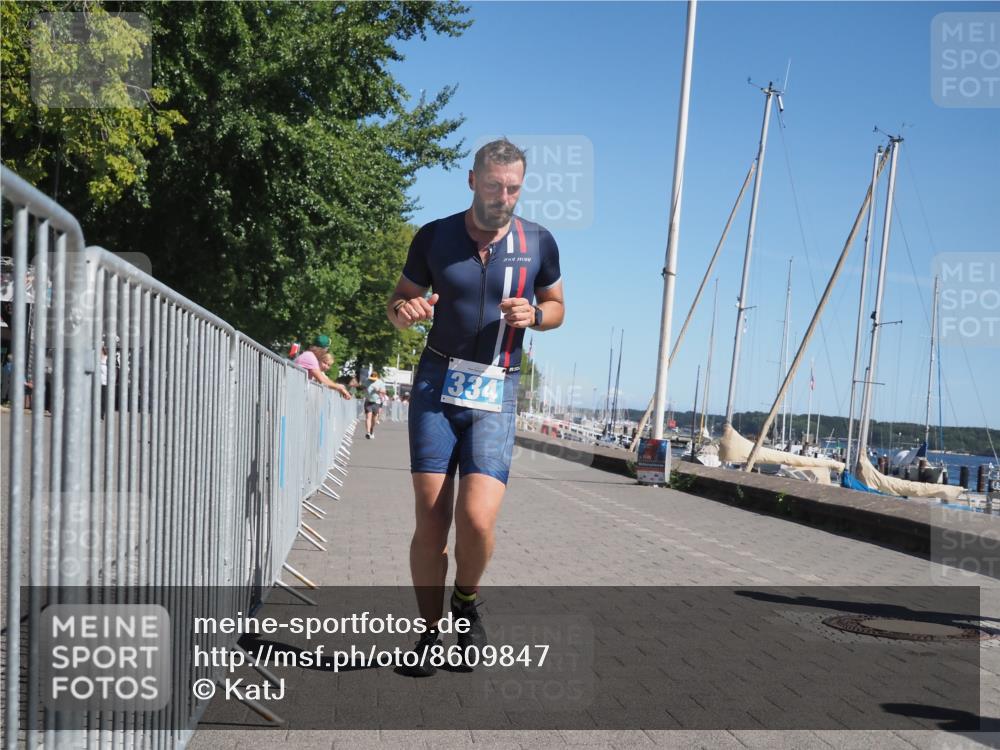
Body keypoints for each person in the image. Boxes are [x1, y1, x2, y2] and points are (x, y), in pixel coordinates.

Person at [386, 138, 564, 676]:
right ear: (472, 182)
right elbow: (397, 304)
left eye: (512, 188)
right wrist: (406, 310)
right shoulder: (435, 237)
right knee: (433, 519)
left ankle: (466, 601)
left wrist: (534, 315)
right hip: (436, 384)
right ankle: (429, 633)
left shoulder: (539, 242)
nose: (502, 197)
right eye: (493, 186)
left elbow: (557, 308)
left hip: (497, 386)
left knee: (477, 520)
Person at [294, 335, 352, 399]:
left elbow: (324, 379)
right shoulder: (310, 357)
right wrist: (339, 387)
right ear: (323, 349)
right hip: (296, 395)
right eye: (326, 349)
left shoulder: (309, 356)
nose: (326, 352)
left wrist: (339, 387)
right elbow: (322, 380)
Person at [364, 371, 385, 438]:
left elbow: (384, 391)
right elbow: (363, 388)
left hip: (376, 402)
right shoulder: (367, 381)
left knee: (374, 419)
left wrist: (378, 390)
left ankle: (371, 429)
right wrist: (364, 390)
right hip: (368, 401)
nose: (372, 380)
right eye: (371, 378)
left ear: (376, 377)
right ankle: (368, 433)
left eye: (374, 379)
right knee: (368, 417)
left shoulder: (380, 382)